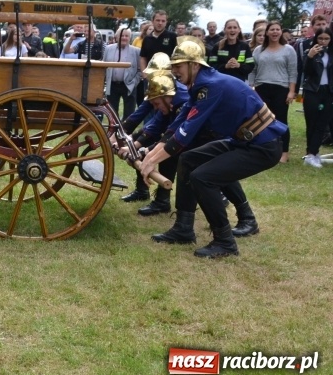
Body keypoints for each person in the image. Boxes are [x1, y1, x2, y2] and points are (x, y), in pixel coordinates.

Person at [140, 39, 287, 258]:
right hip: (244, 142)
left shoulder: (211, 86)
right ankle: (183, 228)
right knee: (189, 159)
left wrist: (151, 161)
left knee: (203, 177)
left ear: (194, 65)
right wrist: (150, 156)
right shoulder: (201, 86)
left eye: (178, 67)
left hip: (262, 147)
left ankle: (225, 242)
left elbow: (184, 135)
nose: (174, 72)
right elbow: (177, 124)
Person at [117, 57, 188, 216]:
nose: (150, 79)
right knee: (142, 142)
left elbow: (172, 132)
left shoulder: (181, 97)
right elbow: (146, 119)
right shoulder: (161, 92)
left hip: (196, 136)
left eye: (154, 75)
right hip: (172, 130)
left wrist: (145, 150)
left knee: (169, 156)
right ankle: (145, 192)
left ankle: (164, 202)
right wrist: (132, 144)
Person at [251, 20, 297, 163]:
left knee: (281, 121)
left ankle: (284, 153)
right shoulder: (258, 50)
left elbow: (292, 72)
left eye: (277, 29)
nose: (275, 32)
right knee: (262, 121)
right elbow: (253, 70)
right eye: (272, 30)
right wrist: (252, 87)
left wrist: (291, 91)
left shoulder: (288, 50)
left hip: (281, 89)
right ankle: (263, 150)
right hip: (261, 88)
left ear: (281, 32)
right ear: (267, 32)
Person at [301, 27, 333, 167]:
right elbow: (305, 71)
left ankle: (314, 153)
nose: (323, 41)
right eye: (320, 38)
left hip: (328, 91)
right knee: (312, 123)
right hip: (312, 90)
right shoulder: (310, 52)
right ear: (316, 39)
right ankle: (311, 154)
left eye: (326, 39)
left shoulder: (331, 54)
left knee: (322, 123)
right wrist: (310, 57)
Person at [103, 26, 140, 119]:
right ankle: (114, 132)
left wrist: (135, 82)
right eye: (121, 35)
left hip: (129, 85)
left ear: (130, 38)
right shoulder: (108, 49)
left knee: (129, 112)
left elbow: (140, 70)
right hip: (112, 85)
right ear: (116, 37)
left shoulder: (136, 51)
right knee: (112, 112)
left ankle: (126, 131)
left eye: (126, 36)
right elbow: (103, 66)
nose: (124, 38)